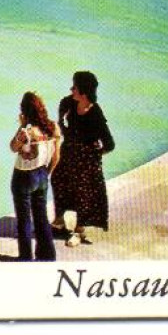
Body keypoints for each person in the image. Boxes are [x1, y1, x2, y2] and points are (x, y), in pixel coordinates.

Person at [51, 70, 115, 246]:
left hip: (87, 161)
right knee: (58, 181)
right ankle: (58, 221)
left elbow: (109, 143)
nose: (71, 89)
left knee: (83, 194)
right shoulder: (67, 103)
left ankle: (79, 231)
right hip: (69, 153)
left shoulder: (95, 114)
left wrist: (93, 154)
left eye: (75, 87)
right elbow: (60, 124)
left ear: (84, 92)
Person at [9, 91, 60, 261]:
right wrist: (46, 173)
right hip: (42, 174)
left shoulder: (27, 132)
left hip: (23, 176)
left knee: (24, 220)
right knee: (41, 217)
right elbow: (56, 156)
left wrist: (21, 125)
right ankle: (47, 255)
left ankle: (25, 258)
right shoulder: (53, 127)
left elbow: (13, 147)